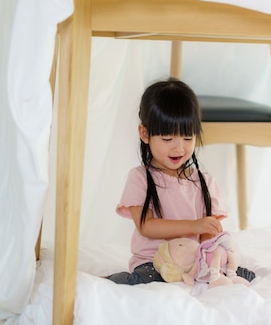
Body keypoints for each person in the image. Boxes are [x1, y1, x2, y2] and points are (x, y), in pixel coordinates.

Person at [106, 78, 254, 285]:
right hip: (155, 262)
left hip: (193, 263)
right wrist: (195, 226)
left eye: (187, 138)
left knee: (241, 274)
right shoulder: (140, 177)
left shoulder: (204, 182)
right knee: (148, 279)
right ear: (145, 134)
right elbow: (146, 227)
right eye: (167, 139)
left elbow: (207, 235)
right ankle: (105, 281)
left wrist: (213, 255)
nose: (179, 148)